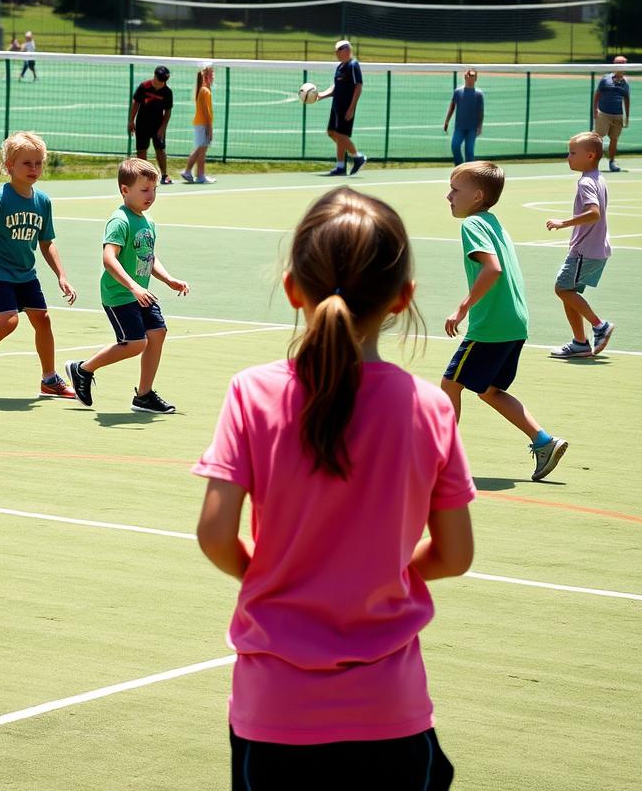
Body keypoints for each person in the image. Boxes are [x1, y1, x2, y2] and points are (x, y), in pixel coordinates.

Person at [193, 187, 473, 790]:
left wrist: (272, 574)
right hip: (390, 712)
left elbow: (215, 535)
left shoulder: (252, 392)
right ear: (404, 299)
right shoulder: (428, 406)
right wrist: (386, 573)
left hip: (274, 712)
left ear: (294, 289)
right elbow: (454, 554)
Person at [442, 161, 568, 481]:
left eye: (456, 190)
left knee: (450, 384)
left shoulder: (471, 225)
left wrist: (463, 307)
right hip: (515, 324)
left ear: (477, 196)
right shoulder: (495, 223)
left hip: (491, 326)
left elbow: (493, 269)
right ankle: (543, 441)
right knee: (490, 390)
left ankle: (442, 458)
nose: (449, 196)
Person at [0, 131, 77, 398]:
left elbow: (47, 242)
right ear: (10, 166)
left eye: (38, 163)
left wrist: (61, 276)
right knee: (9, 322)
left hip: (25, 274)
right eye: (27, 163)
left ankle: (49, 379)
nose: (34, 169)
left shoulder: (42, 201)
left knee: (43, 320)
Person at [66, 157, 189, 413]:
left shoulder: (148, 221)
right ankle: (83, 369)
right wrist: (134, 286)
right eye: (144, 190)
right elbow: (109, 259)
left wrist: (168, 279)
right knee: (135, 343)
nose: (151, 195)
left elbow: (149, 257)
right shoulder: (120, 221)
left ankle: (143, 395)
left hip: (140, 293)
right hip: (119, 294)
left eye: (154, 189)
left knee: (157, 333)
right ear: (125, 190)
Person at [546, 131, 614, 359]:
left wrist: (563, 223)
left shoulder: (586, 182)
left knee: (562, 288)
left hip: (585, 251)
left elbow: (593, 213)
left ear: (590, 155)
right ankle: (580, 342)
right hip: (591, 249)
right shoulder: (597, 177)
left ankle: (599, 325)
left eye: (573, 153)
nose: (568, 157)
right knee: (568, 291)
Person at [316, 40, 366, 177]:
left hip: (346, 106)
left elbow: (358, 87)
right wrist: (321, 95)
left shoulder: (353, 65)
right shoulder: (340, 67)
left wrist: (352, 108)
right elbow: (335, 88)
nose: (336, 53)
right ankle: (341, 167)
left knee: (341, 135)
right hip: (336, 106)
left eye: (339, 50)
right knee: (332, 132)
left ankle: (357, 157)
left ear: (346, 50)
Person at [128, 65, 174, 185]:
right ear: (154, 76)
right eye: (160, 79)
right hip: (142, 124)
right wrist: (131, 121)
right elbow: (135, 103)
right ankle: (144, 176)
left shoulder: (167, 92)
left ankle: (164, 175)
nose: (161, 82)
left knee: (160, 150)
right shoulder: (144, 87)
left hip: (158, 125)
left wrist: (163, 128)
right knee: (141, 150)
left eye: (164, 80)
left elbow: (168, 112)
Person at [592, 56, 630, 172]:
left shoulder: (625, 83)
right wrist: (595, 109)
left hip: (618, 115)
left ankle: (612, 162)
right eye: (618, 62)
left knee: (614, 139)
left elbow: (627, 99)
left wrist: (626, 116)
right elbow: (597, 94)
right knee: (598, 138)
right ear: (613, 64)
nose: (621, 65)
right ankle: (593, 162)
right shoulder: (605, 79)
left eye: (623, 63)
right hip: (603, 114)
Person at [180, 63, 215, 184]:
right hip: (203, 124)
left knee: (201, 149)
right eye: (211, 73)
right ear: (207, 76)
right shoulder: (205, 91)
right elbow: (206, 112)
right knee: (201, 149)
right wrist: (210, 128)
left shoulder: (203, 90)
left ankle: (197, 174)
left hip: (200, 124)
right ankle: (193, 172)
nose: (213, 76)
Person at [443, 68, 484, 164]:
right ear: (465, 77)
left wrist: (480, 127)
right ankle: (460, 167)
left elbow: (480, 112)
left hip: (472, 128)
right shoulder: (458, 92)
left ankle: (469, 173)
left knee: (469, 152)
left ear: (476, 79)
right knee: (455, 146)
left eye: (473, 76)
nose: (470, 78)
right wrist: (446, 121)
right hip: (459, 127)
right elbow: (452, 106)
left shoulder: (479, 94)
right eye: (468, 75)